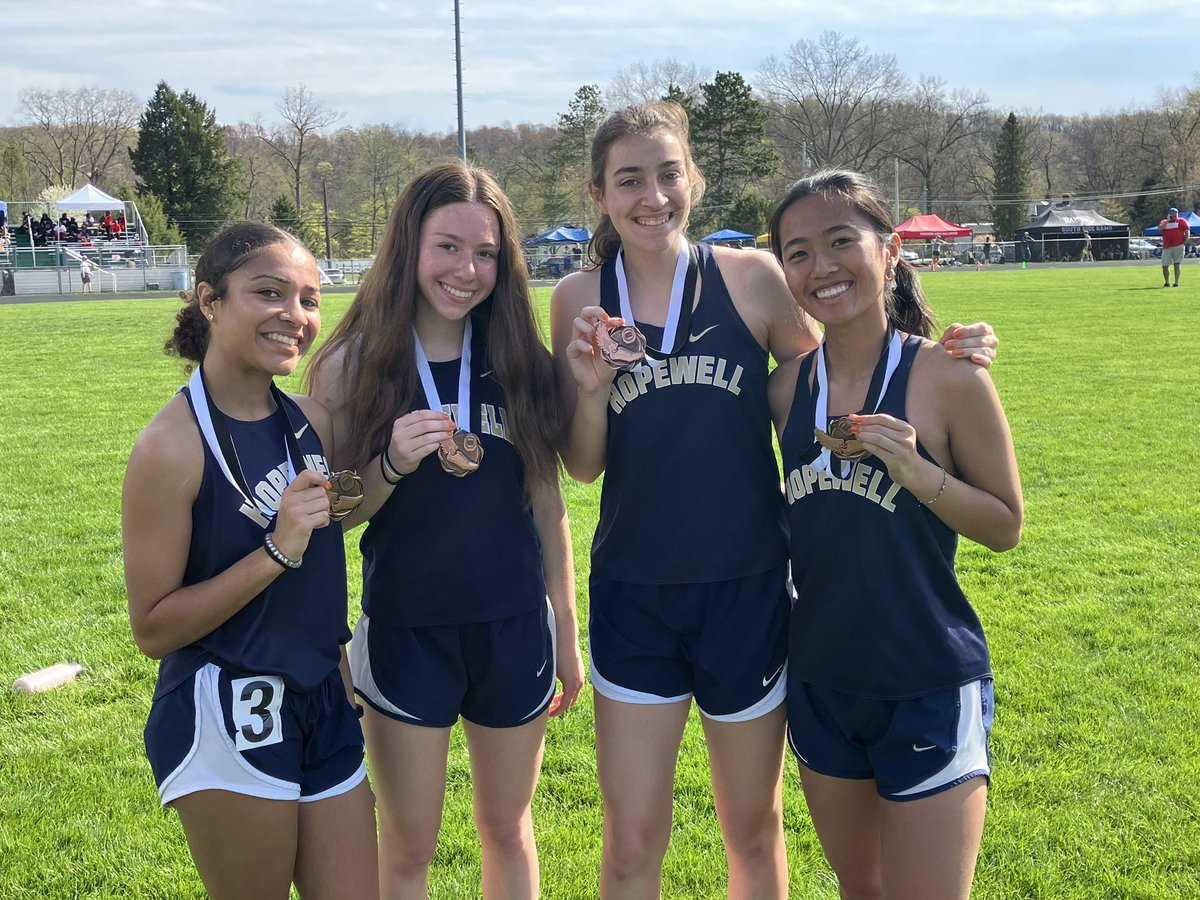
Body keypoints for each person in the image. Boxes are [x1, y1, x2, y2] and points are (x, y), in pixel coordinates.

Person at [550, 100, 998, 899]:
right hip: (635, 593)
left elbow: (833, 371)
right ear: (599, 195)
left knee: (753, 832)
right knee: (629, 843)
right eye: (629, 181)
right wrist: (589, 392)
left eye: (667, 174)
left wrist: (942, 349)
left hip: (750, 591)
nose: (652, 196)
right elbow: (583, 466)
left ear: (696, 177)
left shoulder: (752, 278)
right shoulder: (579, 296)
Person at [307, 161, 583, 898]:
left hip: (513, 627)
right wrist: (391, 463)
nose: (467, 270)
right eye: (448, 248)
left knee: (507, 829)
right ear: (408, 247)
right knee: (407, 846)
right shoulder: (350, 364)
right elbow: (331, 516)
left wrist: (566, 625)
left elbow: (546, 500)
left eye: (486, 253)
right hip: (406, 629)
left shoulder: (519, 359)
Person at [767, 169, 1022, 900]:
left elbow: (1006, 525)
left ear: (889, 252)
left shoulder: (949, 376)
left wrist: (917, 472)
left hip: (928, 681)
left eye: (843, 241)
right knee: (860, 891)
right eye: (799, 252)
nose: (823, 267)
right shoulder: (786, 389)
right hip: (819, 679)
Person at [122, 222, 379, 900]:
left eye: (309, 299)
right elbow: (152, 629)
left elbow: (329, 539)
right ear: (209, 300)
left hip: (322, 697)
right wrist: (273, 551)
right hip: (227, 703)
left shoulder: (310, 421)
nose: (295, 316)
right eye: (270, 293)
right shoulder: (169, 447)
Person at [1159, 207, 1188, 287]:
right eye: (1172, 214)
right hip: (1167, 246)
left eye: (1175, 214)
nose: (1174, 216)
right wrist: (1167, 221)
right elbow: (1160, 228)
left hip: (1178, 246)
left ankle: (1176, 283)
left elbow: (1187, 231)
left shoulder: (1181, 221)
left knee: (1177, 264)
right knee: (1165, 265)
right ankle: (1167, 282)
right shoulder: (1164, 222)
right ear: (1169, 214)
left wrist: (1184, 242)